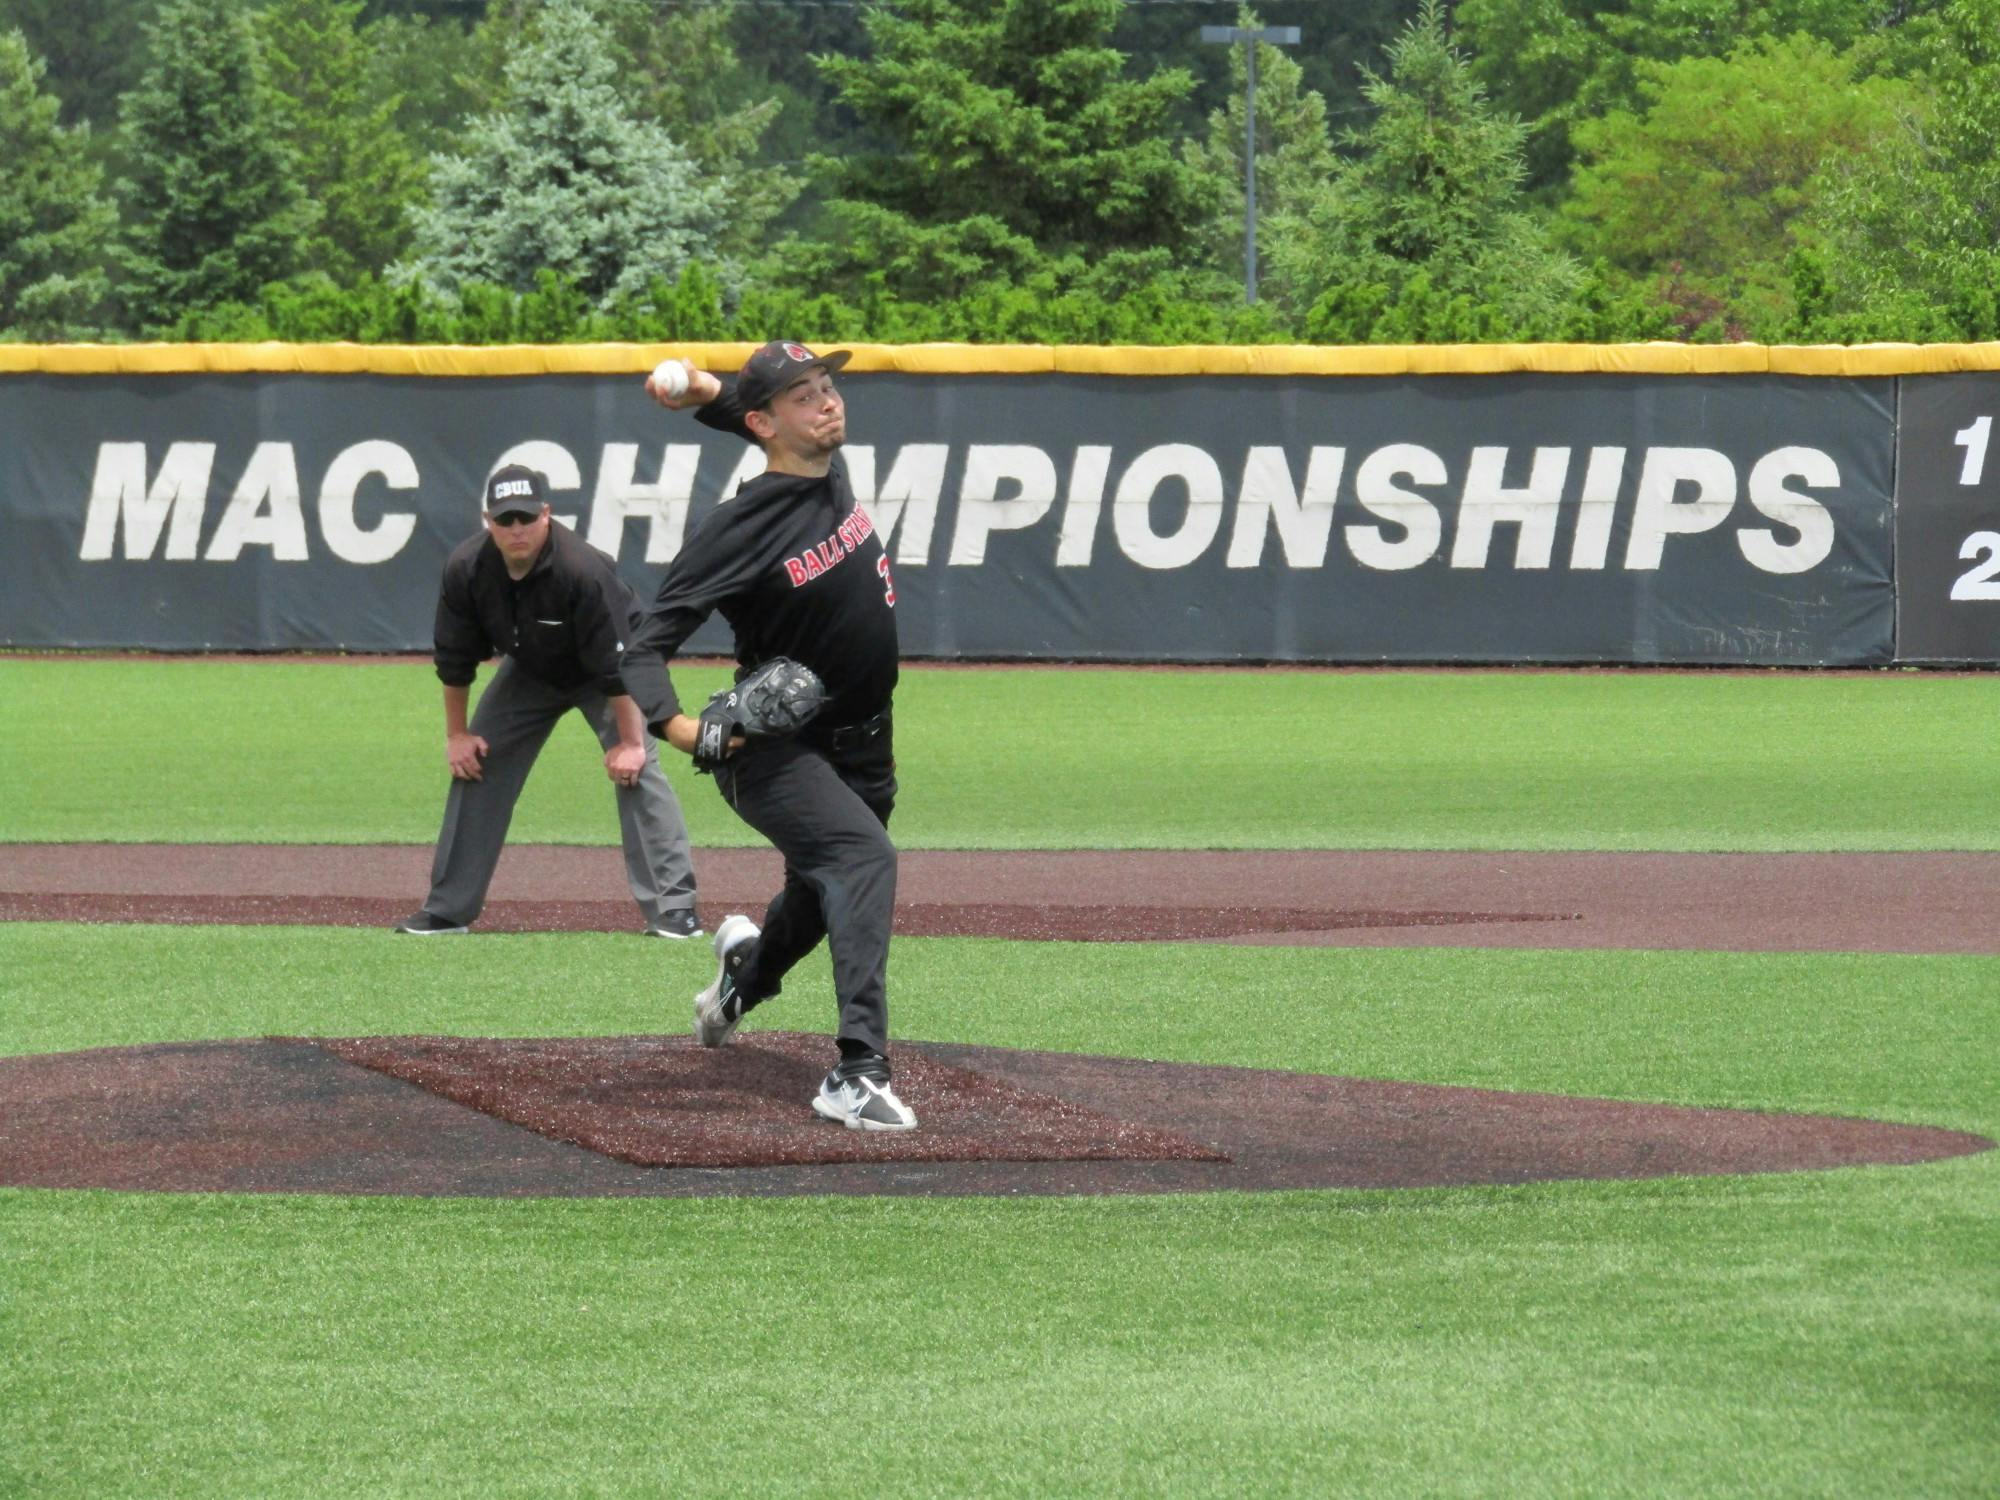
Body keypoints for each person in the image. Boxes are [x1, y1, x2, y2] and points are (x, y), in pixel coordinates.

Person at [622, 340, 916, 1132]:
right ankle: (858, 1071)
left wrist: (704, 386)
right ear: (766, 423)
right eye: (804, 395)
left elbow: (750, 415)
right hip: (776, 753)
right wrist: (681, 730)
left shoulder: (827, 471)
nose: (827, 402)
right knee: (860, 858)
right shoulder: (740, 527)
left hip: (866, 744)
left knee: (821, 896)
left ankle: (739, 982)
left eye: (827, 386)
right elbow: (643, 644)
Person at [395, 464, 701, 939]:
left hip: (611, 670)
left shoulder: (582, 568)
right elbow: (454, 661)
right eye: (505, 519)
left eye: (525, 517)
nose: (516, 529)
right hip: (532, 669)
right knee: (477, 761)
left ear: (546, 514)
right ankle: (448, 909)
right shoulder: (467, 569)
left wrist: (630, 743)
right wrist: (457, 735)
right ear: (487, 521)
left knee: (639, 767)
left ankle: (674, 909)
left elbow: (616, 668)